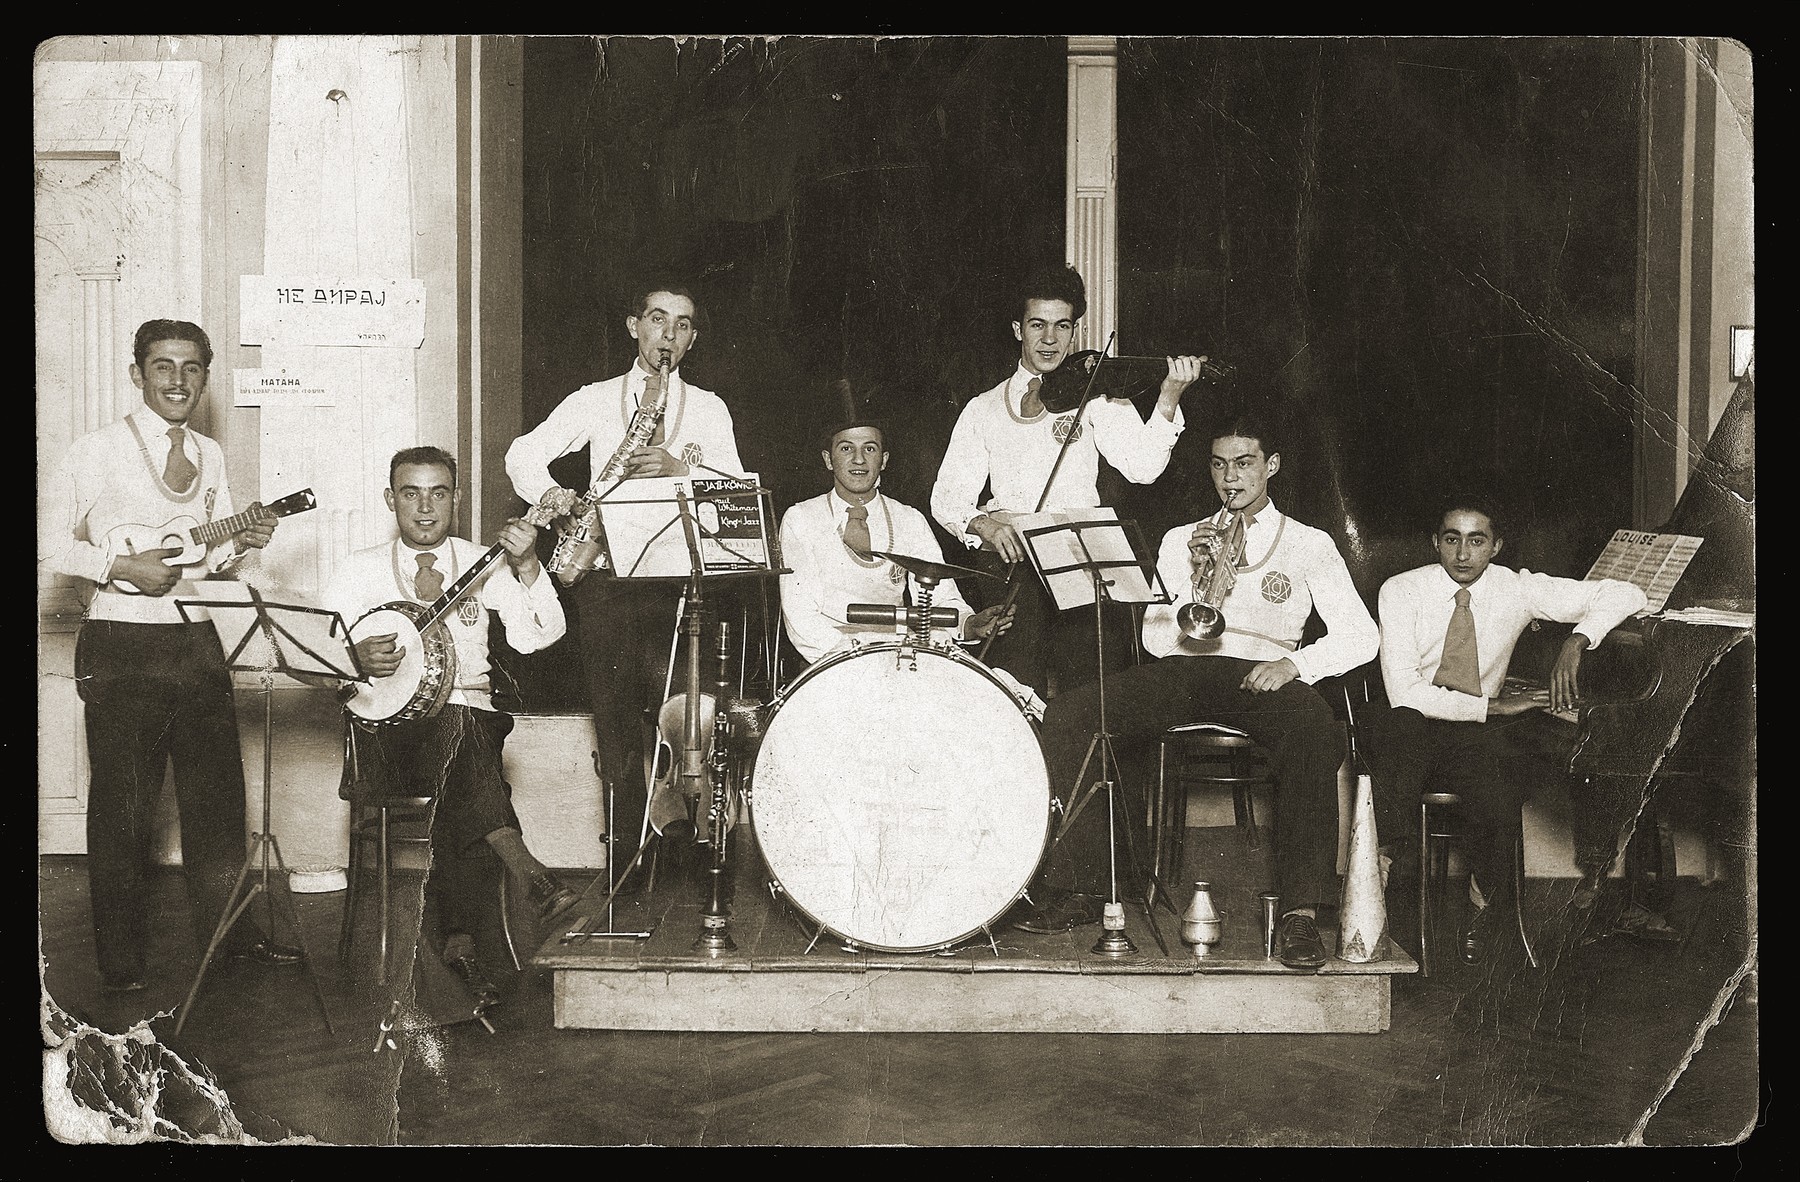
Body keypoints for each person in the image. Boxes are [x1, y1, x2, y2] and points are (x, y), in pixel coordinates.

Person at [1014, 410, 1380, 971]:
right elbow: (1157, 639)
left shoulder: (1309, 543)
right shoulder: (1182, 538)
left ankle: (1301, 914)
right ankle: (1084, 888)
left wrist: (1295, 665)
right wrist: (1192, 575)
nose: (1230, 477)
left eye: (1245, 463)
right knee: (1074, 713)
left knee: (1313, 727)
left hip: (1263, 673)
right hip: (1186, 671)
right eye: (1218, 464)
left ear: (1271, 466)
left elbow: (1362, 636)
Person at [41, 319, 297, 994]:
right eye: (163, 367)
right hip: (123, 646)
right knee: (124, 811)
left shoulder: (210, 454)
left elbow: (209, 557)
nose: (178, 381)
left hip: (196, 642)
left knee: (218, 804)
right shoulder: (95, 450)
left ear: (205, 377)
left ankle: (230, 940)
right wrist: (118, 564)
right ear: (137, 374)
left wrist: (246, 541)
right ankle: (120, 964)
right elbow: (41, 544)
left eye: (191, 368)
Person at [322, 447, 578, 1011]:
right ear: (391, 500)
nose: (425, 507)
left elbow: (541, 636)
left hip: (473, 728)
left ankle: (459, 952)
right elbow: (317, 655)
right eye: (410, 493)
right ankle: (528, 875)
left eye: (438, 492)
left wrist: (530, 566)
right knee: (466, 756)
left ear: (456, 499)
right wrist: (354, 657)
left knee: (462, 734)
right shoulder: (356, 568)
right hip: (389, 738)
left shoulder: (482, 561)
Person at [505, 281, 746, 873]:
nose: (669, 334)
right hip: (605, 578)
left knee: (689, 719)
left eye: (683, 325)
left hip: (680, 584)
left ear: (692, 339)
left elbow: (736, 496)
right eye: (658, 320)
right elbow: (520, 454)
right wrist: (553, 494)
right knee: (613, 724)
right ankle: (626, 858)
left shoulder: (709, 408)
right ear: (633, 325)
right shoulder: (594, 399)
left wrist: (678, 468)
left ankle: (692, 848)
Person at [1369, 496, 1646, 965]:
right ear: (1435, 542)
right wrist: (1492, 706)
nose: (1462, 554)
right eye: (1452, 539)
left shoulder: (1518, 588)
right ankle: (1383, 885)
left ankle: (1485, 901)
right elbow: (1405, 694)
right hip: (1411, 727)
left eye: (1476, 540)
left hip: (1472, 734)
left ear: (1496, 545)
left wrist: (1579, 639)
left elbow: (1628, 594)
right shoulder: (1401, 589)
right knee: (1403, 733)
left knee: (1499, 783)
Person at [930, 264, 1209, 698]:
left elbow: (1144, 467)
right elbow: (947, 497)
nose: (1049, 339)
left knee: (1089, 687)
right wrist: (983, 524)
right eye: (1037, 325)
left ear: (1075, 332)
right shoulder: (982, 408)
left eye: (1062, 326)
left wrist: (1169, 395)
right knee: (1015, 682)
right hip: (1011, 562)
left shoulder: (1095, 396)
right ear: (1017, 329)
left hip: (1080, 558)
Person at [780, 418, 1013, 665]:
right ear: (828, 459)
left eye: (870, 448)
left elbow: (939, 597)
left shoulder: (909, 519)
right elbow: (801, 616)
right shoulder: (802, 518)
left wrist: (970, 624)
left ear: (884, 460)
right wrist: (856, 658)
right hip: (831, 658)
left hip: (899, 654)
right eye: (846, 448)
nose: (859, 459)